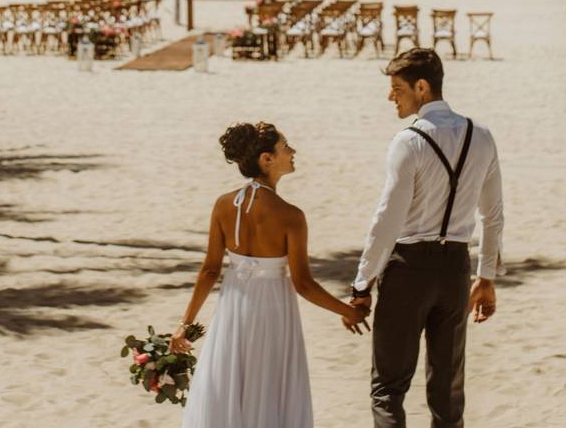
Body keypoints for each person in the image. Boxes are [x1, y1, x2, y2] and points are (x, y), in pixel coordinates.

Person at [172, 122, 369, 428]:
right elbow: (303, 284)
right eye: (285, 147)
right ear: (267, 159)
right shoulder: (291, 216)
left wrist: (184, 325)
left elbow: (210, 270)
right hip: (273, 310)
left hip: (233, 308)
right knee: (269, 386)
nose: (292, 152)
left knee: (231, 384)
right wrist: (348, 312)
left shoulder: (223, 205)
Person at [348, 48, 504, 428]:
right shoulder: (480, 136)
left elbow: (388, 219)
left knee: (388, 385)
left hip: (408, 270)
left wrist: (362, 282)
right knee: (448, 389)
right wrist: (486, 278)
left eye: (396, 87)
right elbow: (493, 214)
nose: (390, 96)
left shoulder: (409, 141)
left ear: (422, 87)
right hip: (454, 269)